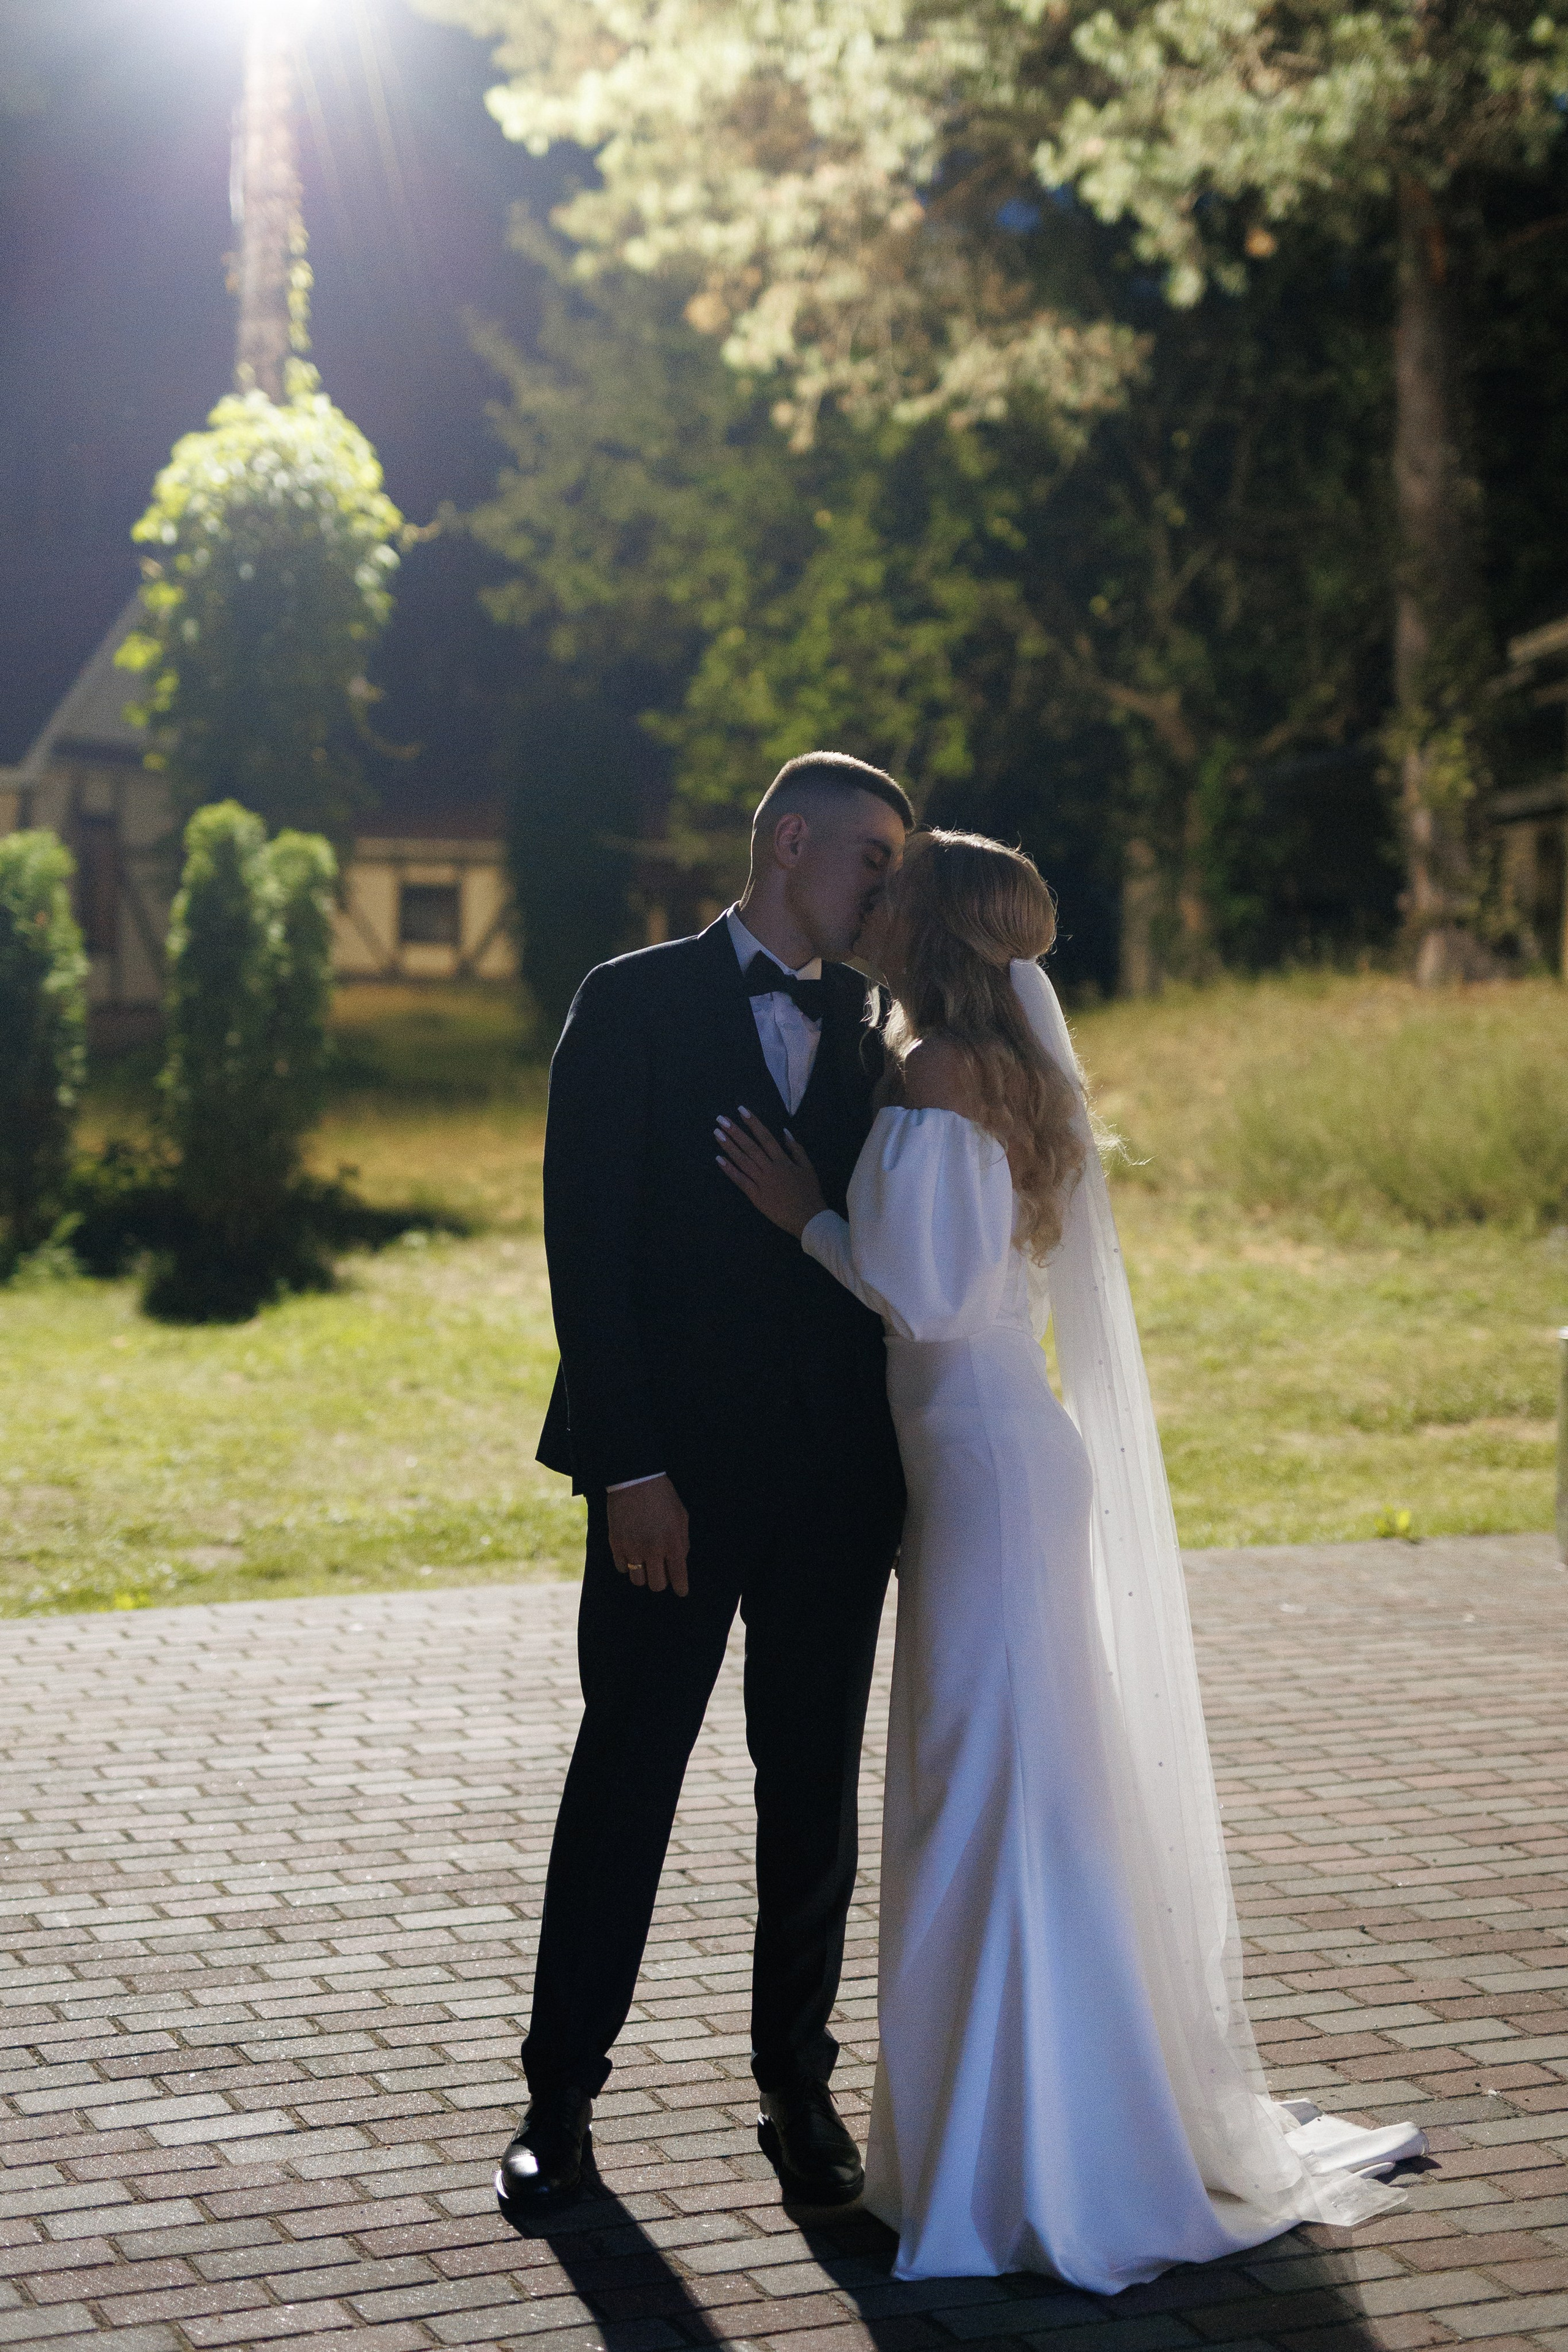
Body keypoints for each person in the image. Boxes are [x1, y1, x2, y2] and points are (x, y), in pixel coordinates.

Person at [715, 827, 1425, 2290]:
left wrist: (807, 1222)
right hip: (1004, 1458)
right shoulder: (1024, 1080)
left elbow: (916, 1296)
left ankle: (1020, 2159)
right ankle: (1055, 2125)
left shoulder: (924, 1078)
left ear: (924, 929)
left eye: (893, 890)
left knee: (982, 1790)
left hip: (975, 1466)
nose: (876, 901)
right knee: (1026, 1786)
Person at [497, 752, 912, 2215]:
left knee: (809, 1791)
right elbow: (584, 1255)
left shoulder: (889, 1033)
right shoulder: (630, 1003)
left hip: (839, 1493)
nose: (884, 886)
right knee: (626, 1777)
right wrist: (630, 1467)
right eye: (869, 856)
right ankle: (558, 2095)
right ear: (788, 844)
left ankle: (795, 2093)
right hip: (667, 1483)